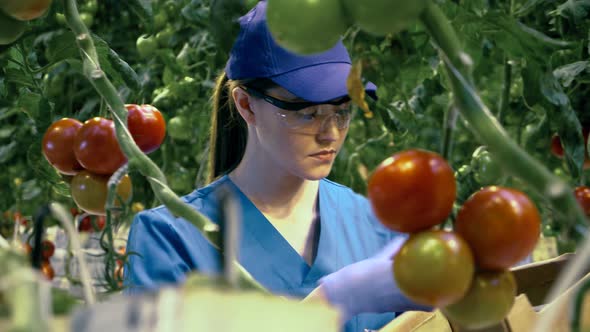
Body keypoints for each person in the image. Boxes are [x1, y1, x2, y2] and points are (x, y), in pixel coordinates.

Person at [124, 1, 428, 331]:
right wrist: (333, 300)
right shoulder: (170, 240)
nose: (331, 134)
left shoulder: (377, 226)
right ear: (246, 106)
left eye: (342, 111)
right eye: (306, 113)